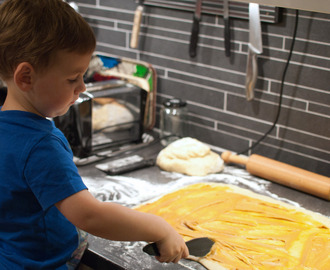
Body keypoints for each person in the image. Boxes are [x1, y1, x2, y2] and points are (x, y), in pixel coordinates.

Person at [0, 0, 189, 269]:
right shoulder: (41, 145)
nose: (82, 87)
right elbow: (91, 216)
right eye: (72, 78)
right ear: (26, 77)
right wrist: (159, 229)